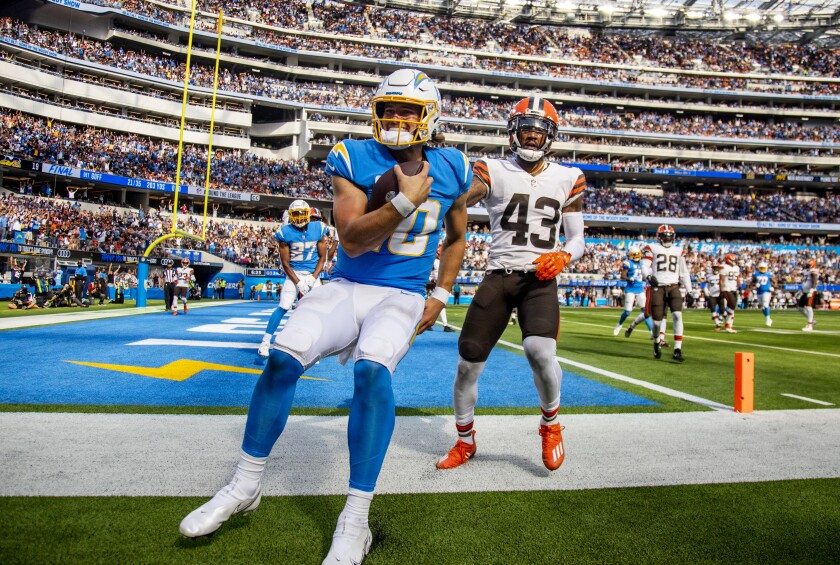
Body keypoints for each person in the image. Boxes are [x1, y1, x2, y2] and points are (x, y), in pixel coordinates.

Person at [179, 68, 471, 564]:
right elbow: (353, 238)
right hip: (350, 283)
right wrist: (404, 200)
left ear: (430, 116)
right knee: (281, 359)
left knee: (373, 371)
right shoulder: (353, 155)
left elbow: (458, 236)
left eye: (408, 110)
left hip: (400, 293)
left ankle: (355, 520)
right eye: (388, 109)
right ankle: (245, 484)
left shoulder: (454, 166)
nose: (397, 118)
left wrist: (441, 294)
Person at [436, 97, 585, 473]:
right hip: (499, 274)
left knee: (540, 352)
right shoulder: (492, 168)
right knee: (467, 362)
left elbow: (577, 239)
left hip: (540, 278)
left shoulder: (569, 176)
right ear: (513, 132)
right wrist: (451, 180)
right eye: (527, 130)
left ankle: (551, 424)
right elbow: (463, 197)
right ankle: (465, 440)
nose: (532, 138)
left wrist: (564, 256)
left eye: (539, 132)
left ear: (550, 137)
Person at [257, 200, 329, 357]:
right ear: (290, 216)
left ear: (308, 214)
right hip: (294, 274)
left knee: (318, 310)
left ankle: (314, 345)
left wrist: (312, 278)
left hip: (312, 275)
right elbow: (285, 263)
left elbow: (323, 258)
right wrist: (298, 281)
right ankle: (265, 342)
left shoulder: (319, 228)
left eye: (302, 213)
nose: (300, 217)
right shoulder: (285, 232)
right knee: (284, 305)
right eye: (296, 214)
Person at [642, 224, 692, 361]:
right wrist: (647, 276)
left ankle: (677, 349)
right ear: (659, 237)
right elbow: (644, 265)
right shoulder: (652, 248)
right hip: (658, 287)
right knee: (657, 323)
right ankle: (657, 342)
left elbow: (684, 272)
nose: (667, 238)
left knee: (677, 316)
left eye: (669, 236)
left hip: (674, 286)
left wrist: (690, 290)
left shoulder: (678, 250)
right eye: (665, 236)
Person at [615, 244, 653, 338]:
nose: (636, 256)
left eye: (637, 254)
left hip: (640, 288)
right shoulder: (628, 263)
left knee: (646, 312)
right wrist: (629, 278)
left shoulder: (642, 263)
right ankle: (619, 325)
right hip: (630, 289)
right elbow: (622, 276)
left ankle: (651, 331)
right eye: (634, 254)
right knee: (628, 311)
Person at [719, 253, 740, 334]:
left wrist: (739, 284)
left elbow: (737, 277)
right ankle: (728, 324)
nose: (733, 261)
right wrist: (722, 289)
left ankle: (728, 323)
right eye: (732, 259)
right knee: (732, 305)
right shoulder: (724, 267)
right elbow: (721, 279)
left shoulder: (736, 268)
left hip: (733, 288)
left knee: (732, 306)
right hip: (726, 288)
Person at [799, 258, 820, 332]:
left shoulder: (813, 271)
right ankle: (812, 320)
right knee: (800, 307)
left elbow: (814, 280)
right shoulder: (807, 271)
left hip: (810, 291)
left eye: (808, 264)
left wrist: (812, 289)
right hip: (805, 291)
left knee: (808, 306)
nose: (807, 265)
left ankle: (810, 325)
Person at [753, 260, 775, 327]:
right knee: (762, 307)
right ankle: (768, 318)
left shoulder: (769, 274)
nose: (762, 269)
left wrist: (772, 287)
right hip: (759, 292)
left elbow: (775, 281)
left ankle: (768, 319)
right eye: (761, 268)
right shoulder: (756, 274)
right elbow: (752, 282)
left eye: (764, 268)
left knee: (765, 305)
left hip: (766, 291)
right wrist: (755, 284)